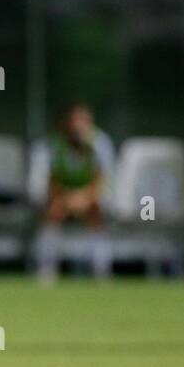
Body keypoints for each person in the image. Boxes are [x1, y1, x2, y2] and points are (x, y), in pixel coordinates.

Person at [32, 103, 114, 279]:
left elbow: (103, 180)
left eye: (83, 121)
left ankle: (101, 269)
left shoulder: (100, 144)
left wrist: (84, 197)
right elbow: (48, 180)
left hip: (89, 198)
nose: (79, 127)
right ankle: (47, 268)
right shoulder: (52, 145)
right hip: (61, 198)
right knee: (53, 211)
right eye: (74, 121)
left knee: (95, 211)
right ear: (66, 124)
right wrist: (66, 199)